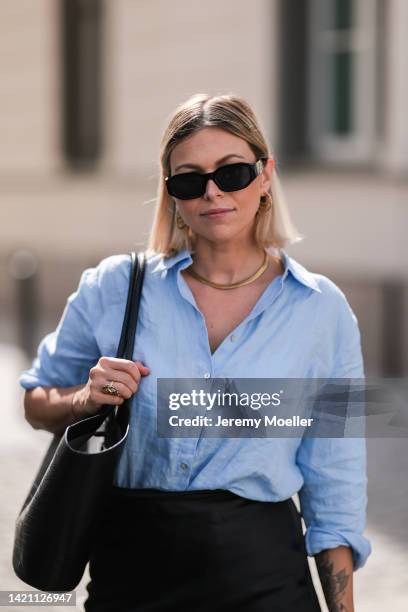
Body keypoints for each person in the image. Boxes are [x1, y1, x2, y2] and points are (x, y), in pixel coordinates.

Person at [20, 93, 371, 611]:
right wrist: (86, 399)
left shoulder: (322, 310)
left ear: (265, 174)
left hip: (266, 578)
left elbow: (335, 484)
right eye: (190, 180)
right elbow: (35, 401)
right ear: (172, 194)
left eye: (231, 173)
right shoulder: (115, 286)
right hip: (132, 575)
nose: (212, 193)